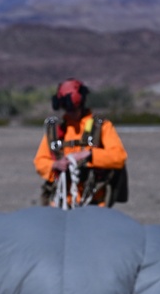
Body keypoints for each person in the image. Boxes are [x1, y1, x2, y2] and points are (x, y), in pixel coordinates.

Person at [33, 79, 127, 207]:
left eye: (73, 108)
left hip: (93, 203)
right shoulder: (56, 131)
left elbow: (119, 157)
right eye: (66, 108)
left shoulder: (101, 126)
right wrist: (55, 165)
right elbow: (40, 161)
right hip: (60, 202)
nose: (70, 112)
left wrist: (89, 155)